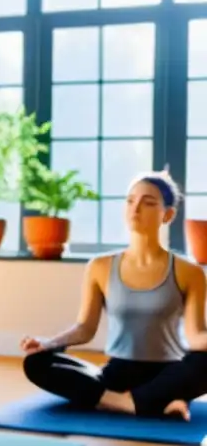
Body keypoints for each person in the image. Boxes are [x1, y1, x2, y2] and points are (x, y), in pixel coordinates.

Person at [20, 171, 207, 420]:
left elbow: (195, 337)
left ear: (168, 214)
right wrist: (48, 344)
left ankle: (123, 401)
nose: (135, 209)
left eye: (148, 202)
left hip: (168, 373)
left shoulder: (190, 272)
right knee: (36, 363)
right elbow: (85, 328)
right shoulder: (100, 266)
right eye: (130, 201)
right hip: (117, 373)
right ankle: (142, 403)